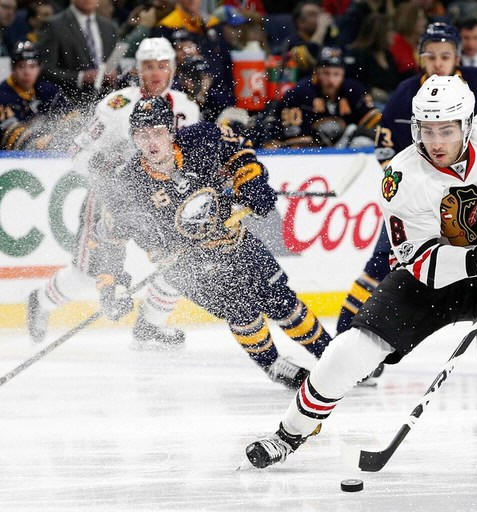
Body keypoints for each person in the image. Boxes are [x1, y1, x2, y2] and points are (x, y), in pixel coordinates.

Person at [245, 74, 477, 479]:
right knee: (351, 350)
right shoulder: (401, 177)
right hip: (433, 276)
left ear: (468, 124)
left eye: (446, 130)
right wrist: (476, 259)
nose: (436, 142)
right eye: (427, 130)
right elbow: (417, 259)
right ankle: (289, 433)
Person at [90, 96, 333, 388]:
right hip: (187, 266)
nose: (151, 142)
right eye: (142, 135)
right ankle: (273, 364)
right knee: (241, 309)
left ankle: (333, 355)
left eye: (157, 132)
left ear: (171, 130)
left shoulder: (200, 139)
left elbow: (238, 147)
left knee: (281, 301)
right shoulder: (129, 186)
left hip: (234, 240)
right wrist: (110, 287)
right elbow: (108, 242)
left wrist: (250, 181)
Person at [336, 23, 477, 376]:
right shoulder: (406, 94)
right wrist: (415, 187)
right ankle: (346, 340)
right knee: (382, 263)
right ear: (421, 57)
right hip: (420, 204)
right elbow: (385, 150)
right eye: (431, 56)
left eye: (445, 56)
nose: (438, 63)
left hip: (472, 204)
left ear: (458, 56)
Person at [27, 37, 200, 350]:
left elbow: (192, 157)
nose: (156, 73)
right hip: (110, 200)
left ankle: (150, 326)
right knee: (86, 276)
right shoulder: (115, 106)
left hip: (162, 198)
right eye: (149, 66)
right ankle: (41, 300)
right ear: (137, 69)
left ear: (173, 69)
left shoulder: (186, 107)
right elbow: (77, 151)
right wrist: (100, 169)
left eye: (163, 65)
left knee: (182, 261)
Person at [263, 46, 381, 148]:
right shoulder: (300, 93)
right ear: (317, 73)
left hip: (344, 148)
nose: (331, 80)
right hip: (311, 152)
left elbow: (376, 126)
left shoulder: (354, 90)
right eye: (326, 73)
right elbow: (293, 142)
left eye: (336, 74)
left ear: (343, 74)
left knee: (362, 141)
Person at [37, 0, 118, 106]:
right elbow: (46, 69)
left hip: (106, 101)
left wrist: (113, 73)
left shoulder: (109, 26)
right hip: (69, 102)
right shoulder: (54, 25)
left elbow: (115, 62)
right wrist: (80, 77)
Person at [0, 41, 70, 150]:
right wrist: (43, 140)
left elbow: (71, 115)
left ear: (39, 69)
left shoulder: (47, 89)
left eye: (32, 66)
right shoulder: (2, 95)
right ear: (13, 68)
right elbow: (9, 134)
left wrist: (61, 131)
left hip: (47, 145)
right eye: (21, 66)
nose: (27, 72)